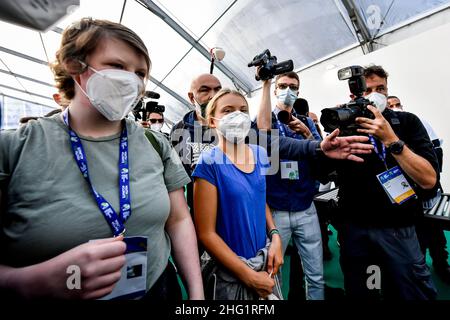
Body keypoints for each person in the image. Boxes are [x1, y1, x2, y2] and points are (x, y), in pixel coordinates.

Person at [0, 18, 203, 300]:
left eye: (140, 73)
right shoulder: (14, 149)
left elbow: (179, 220)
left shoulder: (154, 143)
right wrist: (35, 280)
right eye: (117, 67)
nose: (131, 80)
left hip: (157, 290)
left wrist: (196, 293)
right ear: (75, 66)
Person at [325, 65, 439, 299]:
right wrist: (318, 142)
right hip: (357, 230)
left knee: (412, 290)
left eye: (381, 89)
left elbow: (428, 179)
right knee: (368, 290)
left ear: (387, 92)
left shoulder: (407, 123)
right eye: (368, 90)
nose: (375, 95)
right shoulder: (345, 128)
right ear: (355, 96)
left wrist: (391, 140)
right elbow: (323, 173)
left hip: (398, 227)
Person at [192, 88, 283, 300]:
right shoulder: (208, 163)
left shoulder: (260, 154)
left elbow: (260, 199)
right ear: (213, 121)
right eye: (228, 110)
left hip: (265, 262)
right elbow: (206, 233)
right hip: (231, 272)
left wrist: (275, 236)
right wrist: (249, 276)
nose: (238, 115)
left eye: (243, 110)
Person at [257, 71, 324, 300]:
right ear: (275, 90)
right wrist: (265, 82)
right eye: (283, 85)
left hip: (306, 207)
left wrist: (307, 134)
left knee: (315, 273)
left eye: (293, 86)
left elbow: (321, 156)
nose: (288, 90)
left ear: (298, 91)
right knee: (272, 272)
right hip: (276, 209)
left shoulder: (305, 122)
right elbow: (263, 138)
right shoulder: (263, 121)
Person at [387, 95, 450, 284]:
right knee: (416, 237)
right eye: (391, 105)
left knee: (436, 232)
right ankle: (419, 270)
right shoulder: (382, 129)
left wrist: (432, 179)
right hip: (406, 196)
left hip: (428, 191)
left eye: (397, 104)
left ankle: (441, 264)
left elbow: (436, 151)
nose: (395, 108)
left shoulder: (416, 121)